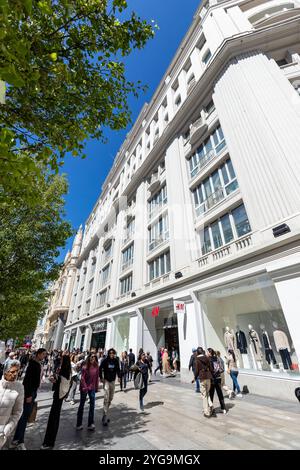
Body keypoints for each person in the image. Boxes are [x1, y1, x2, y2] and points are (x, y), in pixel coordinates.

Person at [12, 348, 47, 450]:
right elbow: (28, 380)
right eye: (43, 354)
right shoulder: (33, 364)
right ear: (39, 354)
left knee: (24, 416)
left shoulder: (36, 363)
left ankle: (16, 439)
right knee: (24, 417)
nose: (45, 356)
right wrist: (28, 395)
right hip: (30, 392)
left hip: (32, 391)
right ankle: (20, 441)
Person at [41, 352, 72, 449]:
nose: (61, 361)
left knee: (53, 417)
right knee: (55, 416)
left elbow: (59, 382)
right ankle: (50, 441)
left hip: (58, 396)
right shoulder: (66, 371)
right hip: (60, 396)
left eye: (62, 360)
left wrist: (54, 380)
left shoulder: (64, 371)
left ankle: (48, 441)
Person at [0, 360, 24, 449]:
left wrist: (6, 430)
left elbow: (17, 412)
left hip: (2, 434)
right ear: (5, 372)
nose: (15, 374)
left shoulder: (19, 388)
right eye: (12, 371)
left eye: (17, 371)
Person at [76, 353, 99, 431]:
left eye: (95, 357)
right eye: (92, 357)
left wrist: (96, 387)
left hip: (92, 388)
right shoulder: (85, 367)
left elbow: (96, 378)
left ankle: (90, 423)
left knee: (92, 405)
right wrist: (85, 388)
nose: (93, 358)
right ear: (89, 358)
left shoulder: (96, 366)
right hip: (84, 387)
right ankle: (79, 423)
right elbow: (82, 378)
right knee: (82, 404)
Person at [99, 348, 120, 426]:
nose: (111, 354)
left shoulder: (115, 361)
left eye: (113, 353)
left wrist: (119, 377)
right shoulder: (105, 360)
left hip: (113, 381)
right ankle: (104, 415)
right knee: (106, 397)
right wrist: (101, 377)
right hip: (106, 381)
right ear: (108, 353)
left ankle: (106, 411)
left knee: (110, 398)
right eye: (110, 353)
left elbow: (118, 369)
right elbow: (100, 368)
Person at [194, 347, 214, 418]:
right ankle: (210, 404)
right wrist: (211, 375)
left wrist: (195, 377)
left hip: (202, 377)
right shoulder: (207, 358)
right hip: (208, 377)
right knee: (207, 392)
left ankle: (206, 412)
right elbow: (211, 368)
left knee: (204, 395)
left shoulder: (197, 359)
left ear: (197, 352)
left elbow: (196, 370)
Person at [207, 348, 227, 414]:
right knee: (220, 393)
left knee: (211, 394)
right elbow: (221, 368)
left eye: (207, 352)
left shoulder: (208, 359)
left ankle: (211, 409)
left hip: (212, 379)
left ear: (210, 353)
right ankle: (223, 408)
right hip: (218, 377)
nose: (207, 353)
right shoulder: (218, 358)